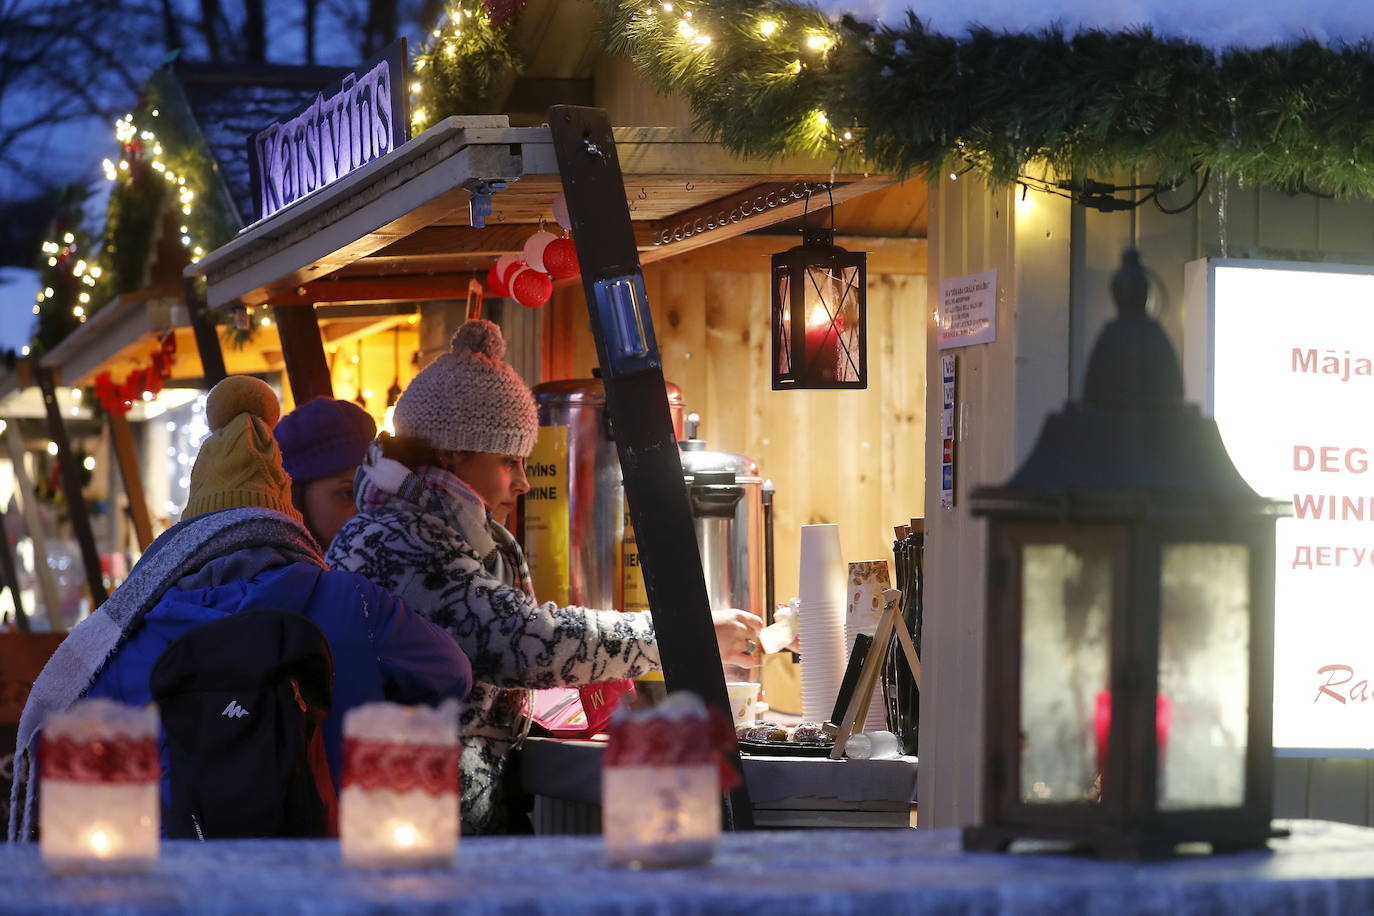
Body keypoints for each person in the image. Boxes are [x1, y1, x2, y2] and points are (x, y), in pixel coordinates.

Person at [327, 320, 763, 835]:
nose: (524, 481)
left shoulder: (413, 527)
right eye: (509, 460)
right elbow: (523, 643)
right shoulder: (402, 542)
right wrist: (685, 634)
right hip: (415, 827)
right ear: (452, 453)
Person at [8, 376, 471, 841]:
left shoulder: (137, 629)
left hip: (186, 883)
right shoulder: (355, 603)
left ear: (189, 538)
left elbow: (57, 756)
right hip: (338, 867)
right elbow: (452, 673)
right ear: (287, 520)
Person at [275, 396, 376, 549]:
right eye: (348, 494)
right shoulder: (268, 568)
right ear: (296, 498)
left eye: (375, 492)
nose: (368, 508)